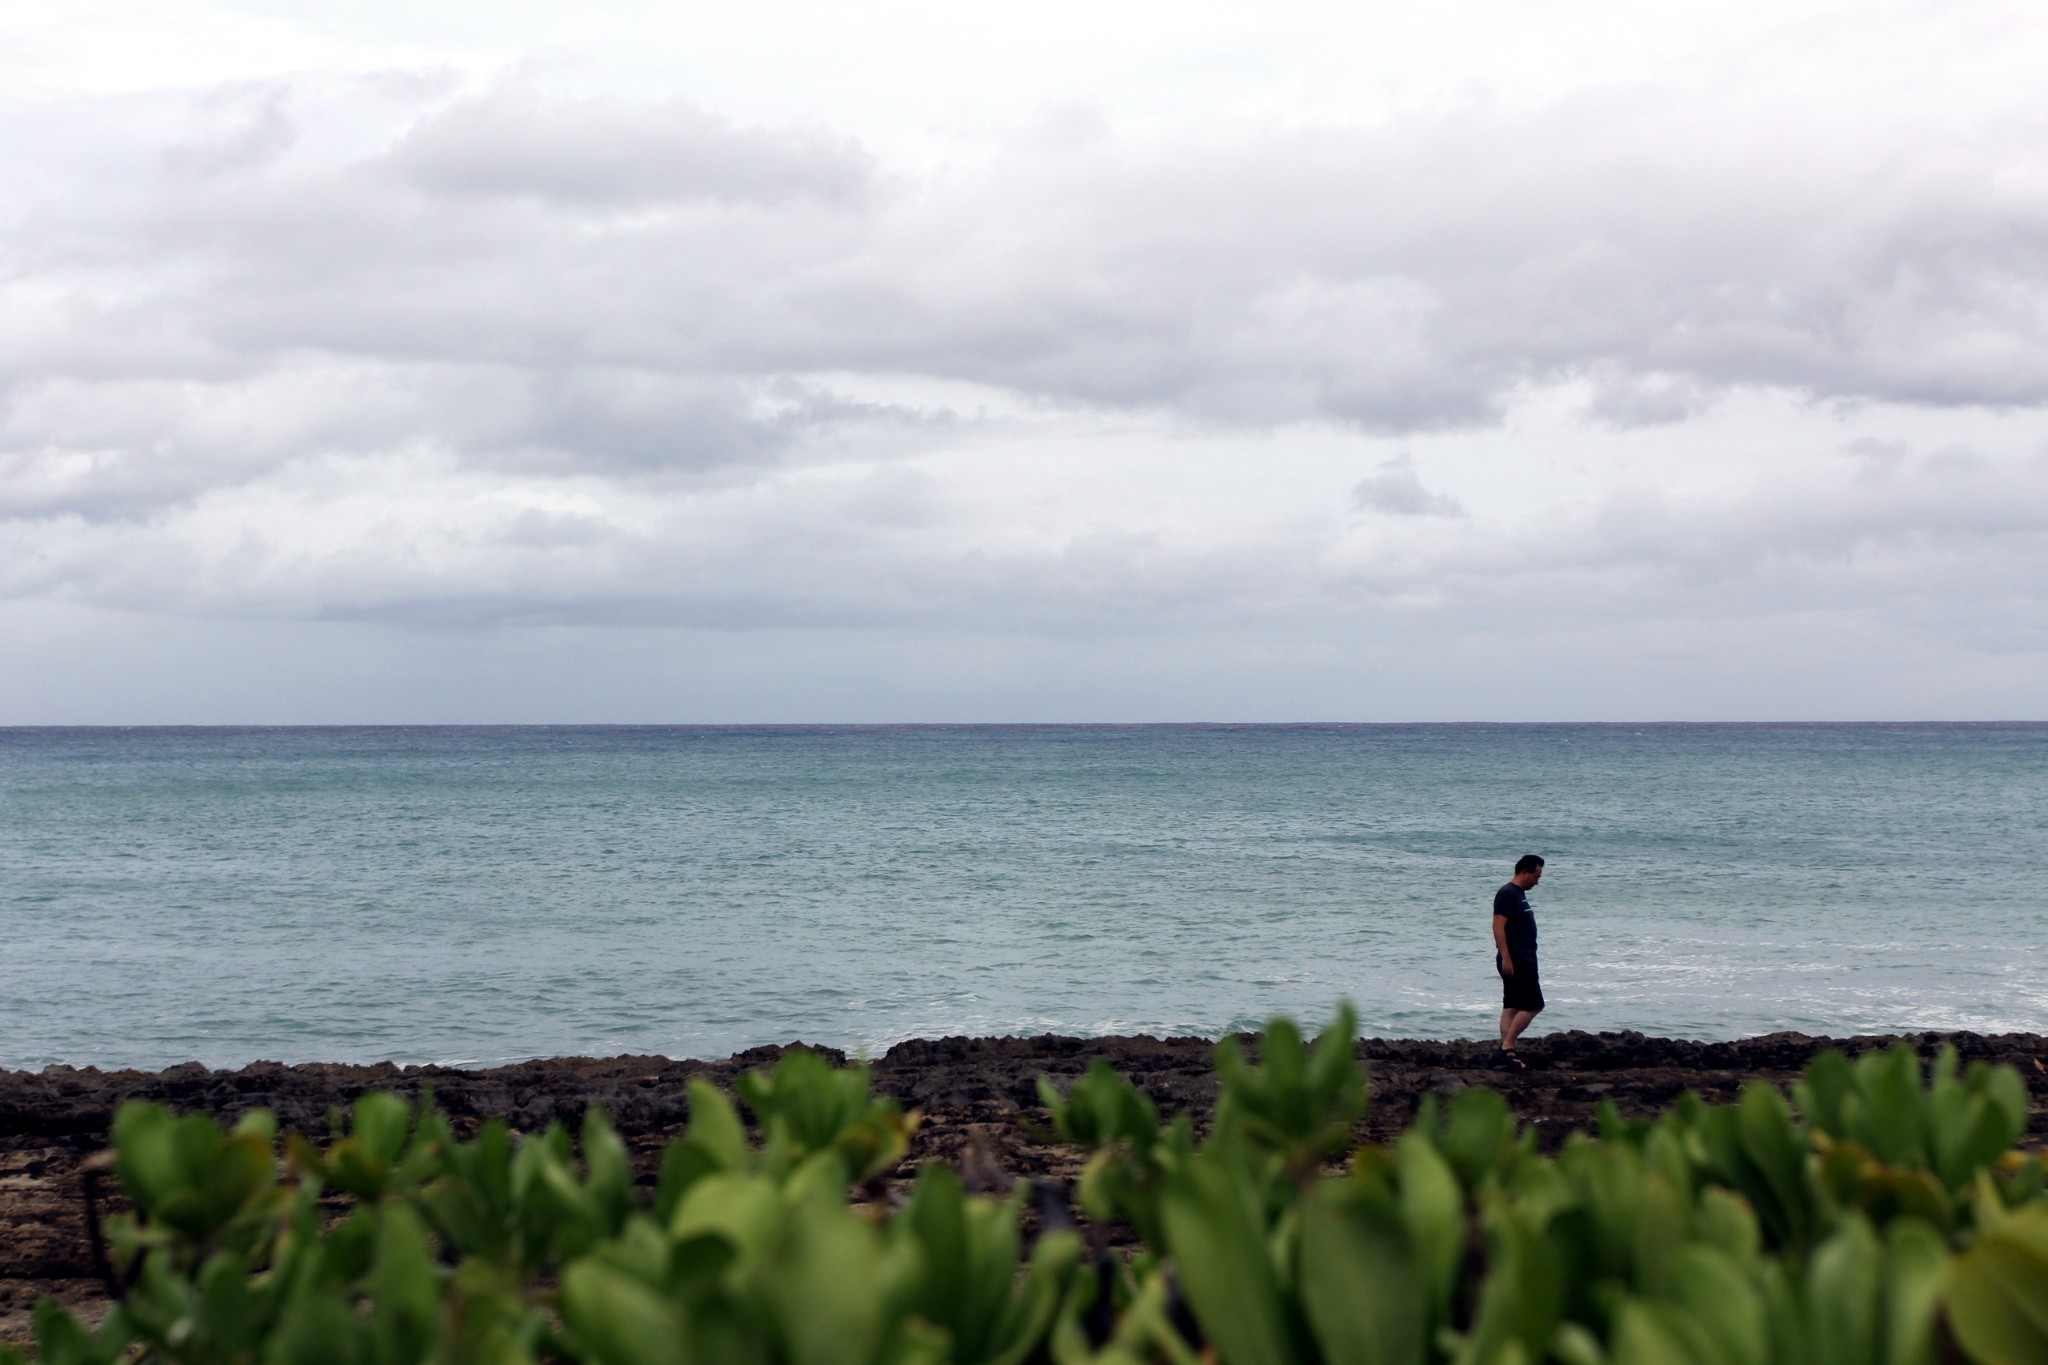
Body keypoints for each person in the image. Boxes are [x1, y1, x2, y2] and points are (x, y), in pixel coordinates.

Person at [1492, 854, 1545, 1069]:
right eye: (1536, 876)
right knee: (1534, 1005)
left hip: (1521, 957)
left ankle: (1507, 1052)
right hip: (1517, 959)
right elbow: (1497, 926)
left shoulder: (1518, 894)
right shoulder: (1508, 893)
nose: (1537, 881)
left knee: (1512, 1006)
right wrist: (1506, 956)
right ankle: (1508, 1046)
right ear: (1524, 872)